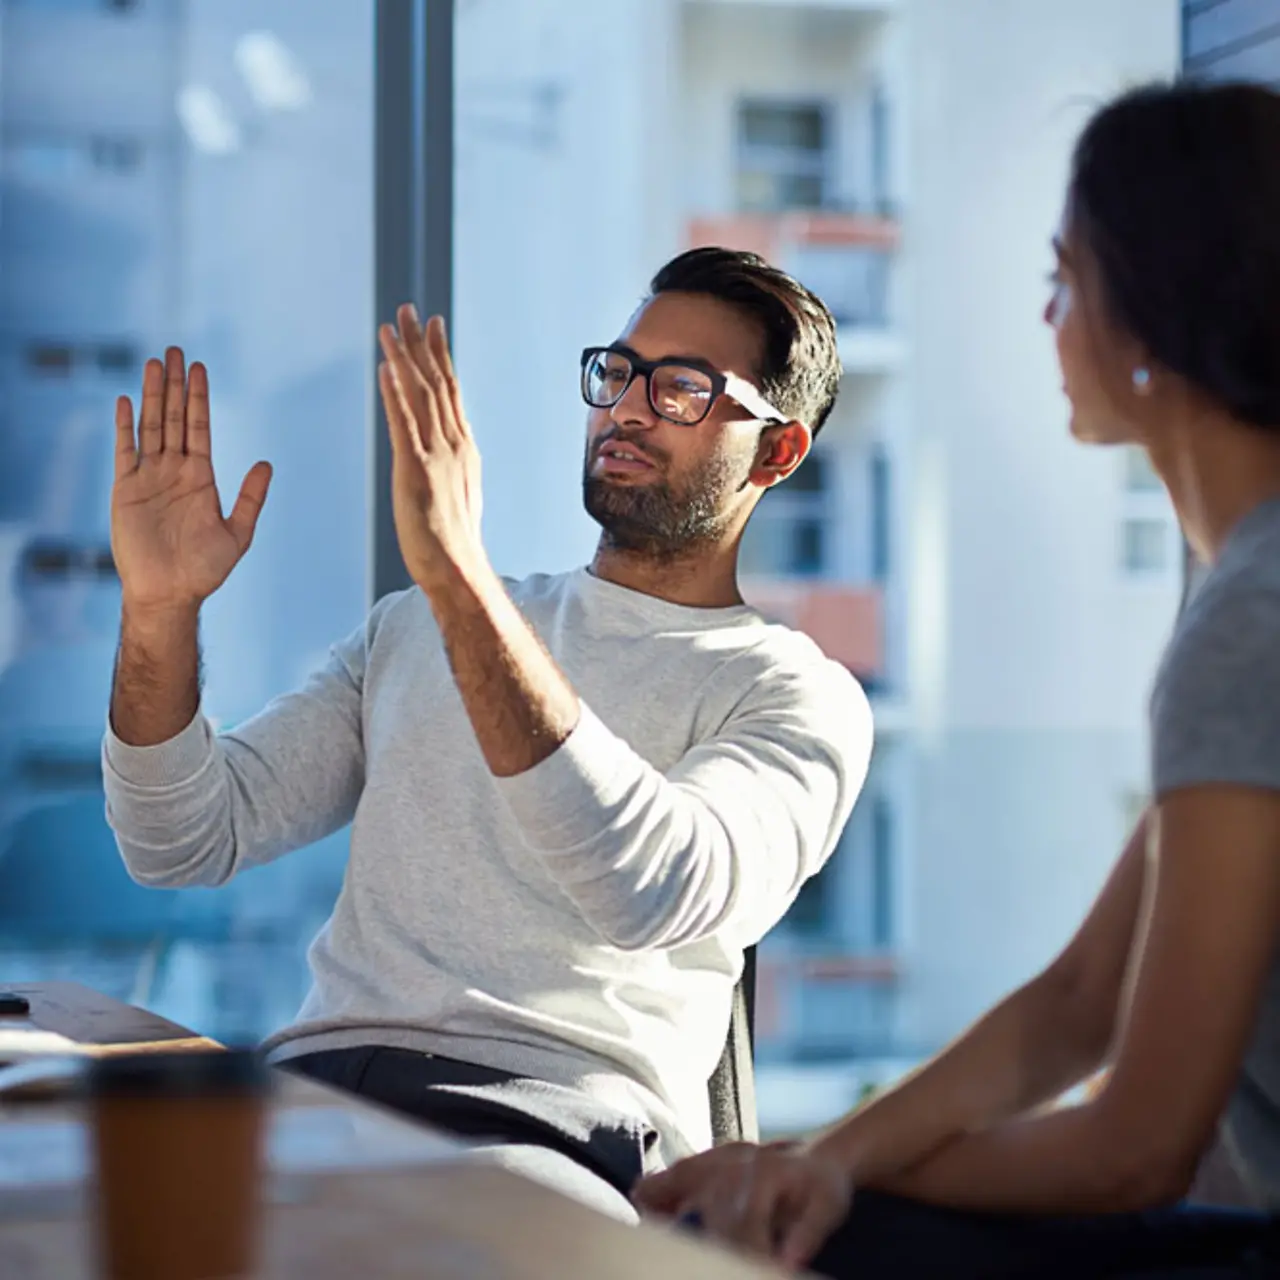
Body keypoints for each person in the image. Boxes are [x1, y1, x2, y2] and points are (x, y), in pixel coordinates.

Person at [634, 81, 1280, 1277]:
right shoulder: (1243, 598)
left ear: (1151, 314)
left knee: (759, 1239)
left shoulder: (1247, 625)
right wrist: (821, 1155)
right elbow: (1085, 993)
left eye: (1064, 279)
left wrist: (823, 1176)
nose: (1048, 317)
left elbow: (1137, 1143)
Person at [101, 247, 872, 1218]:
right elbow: (180, 837)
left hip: (547, 1134)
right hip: (309, 1099)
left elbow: (651, 886)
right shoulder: (416, 625)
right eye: (620, 372)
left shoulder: (794, 693)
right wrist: (160, 611)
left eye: (680, 388)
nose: (627, 407)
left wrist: (458, 579)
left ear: (776, 451)